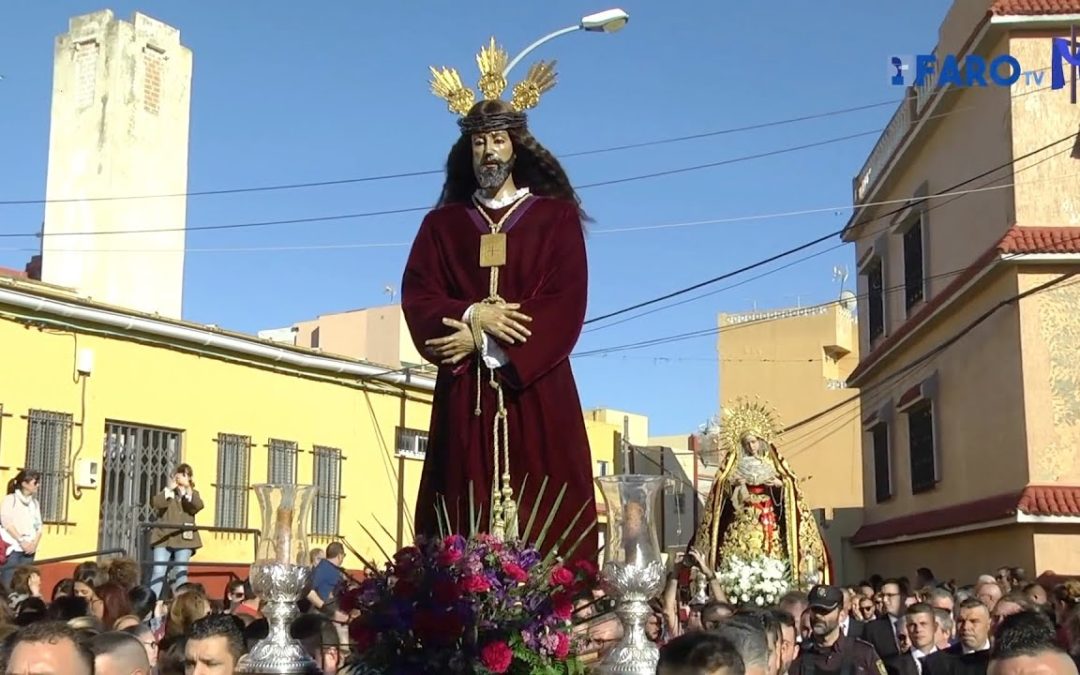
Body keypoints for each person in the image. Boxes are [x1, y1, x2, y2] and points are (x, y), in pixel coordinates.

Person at [402, 37, 597, 561]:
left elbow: (566, 298)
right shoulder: (441, 225)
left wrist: (490, 337)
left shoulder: (553, 218)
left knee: (547, 505)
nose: (488, 152)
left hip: (534, 387)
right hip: (465, 395)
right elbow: (419, 292)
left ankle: (553, 612)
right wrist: (469, 316)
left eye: (498, 141)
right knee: (459, 504)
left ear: (516, 146)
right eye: (479, 143)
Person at [692, 398, 831, 585]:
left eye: (754, 441)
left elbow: (791, 483)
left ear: (761, 441)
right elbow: (720, 490)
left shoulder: (773, 463)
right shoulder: (735, 465)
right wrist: (734, 485)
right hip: (743, 516)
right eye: (747, 443)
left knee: (770, 547)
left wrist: (780, 485)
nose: (751, 446)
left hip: (767, 516)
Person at [148, 464, 203, 600]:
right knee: (158, 571)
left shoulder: (192, 494)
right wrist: (169, 490)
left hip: (184, 538)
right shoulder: (167, 492)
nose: (182, 478)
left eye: (185, 475)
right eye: (180, 474)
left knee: (181, 571)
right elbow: (156, 503)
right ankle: (151, 603)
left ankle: (181, 602)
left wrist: (187, 489)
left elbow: (197, 506)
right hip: (163, 537)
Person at [0, 469, 44, 586]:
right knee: (8, 582)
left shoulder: (34, 503)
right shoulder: (10, 499)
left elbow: (39, 526)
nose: (38, 485)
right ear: (24, 483)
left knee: (24, 583)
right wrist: (21, 541)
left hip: (29, 550)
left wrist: (34, 544)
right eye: (35, 482)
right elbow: (6, 522)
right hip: (13, 549)